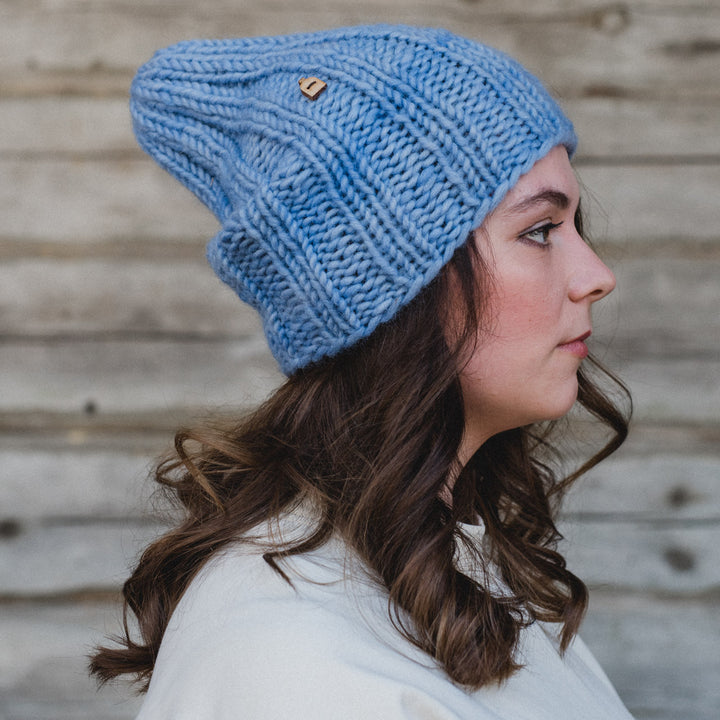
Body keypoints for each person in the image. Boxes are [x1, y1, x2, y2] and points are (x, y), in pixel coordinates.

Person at [90, 24, 634, 719]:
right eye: (538, 231)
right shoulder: (288, 664)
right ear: (400, 292)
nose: (597, 275)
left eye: (575, 226)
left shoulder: (458, 564)